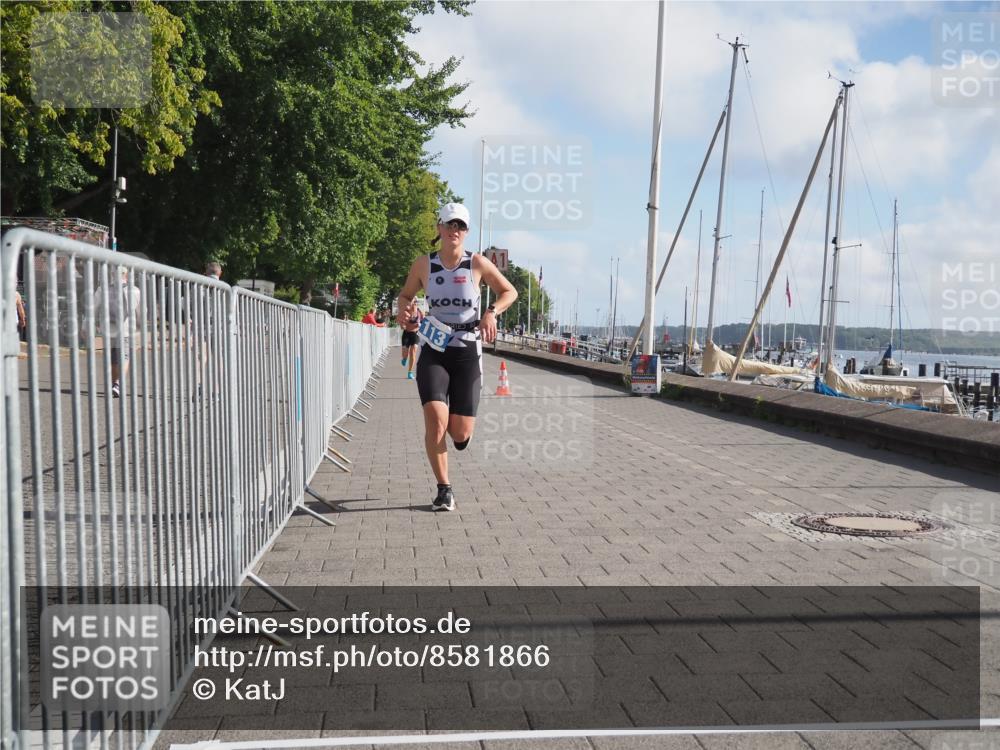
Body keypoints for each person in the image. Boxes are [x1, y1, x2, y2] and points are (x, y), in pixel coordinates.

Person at [396, 203, 517, 512]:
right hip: (434, 349)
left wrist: (491, 312)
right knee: (435, 422)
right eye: (449, 225)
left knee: (459, 433)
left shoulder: (476, 263)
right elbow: (405, 297)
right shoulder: (424, 264)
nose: (454, 231)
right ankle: (443, 489)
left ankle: (460, 434)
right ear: (439, 228)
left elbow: (509, 292)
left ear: (466, 232)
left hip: (466, 350)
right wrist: (406, 314)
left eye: (460, 226)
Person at [94, 266, 141, 398]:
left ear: (113, 275)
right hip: (126, 329)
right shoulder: (135, 290)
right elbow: (140, 311)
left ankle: (115, 384)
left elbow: (93, 307)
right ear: (126, 275)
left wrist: (87, 325)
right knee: (125, 356)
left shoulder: (102, 289)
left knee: (114, 357)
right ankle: (118, 383)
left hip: (108, 329)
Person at [400, 313, 420, 380]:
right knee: (405, 353)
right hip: (406, 334)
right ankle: (404, 358)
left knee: (413, 353)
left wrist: (420, 324)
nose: (414, 304)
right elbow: (401, 323)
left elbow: (424, 322)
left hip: (415, 334)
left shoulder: (419, 313)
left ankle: (410, 372)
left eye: (415, 303)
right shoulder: (405, 312)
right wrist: (402, 325)